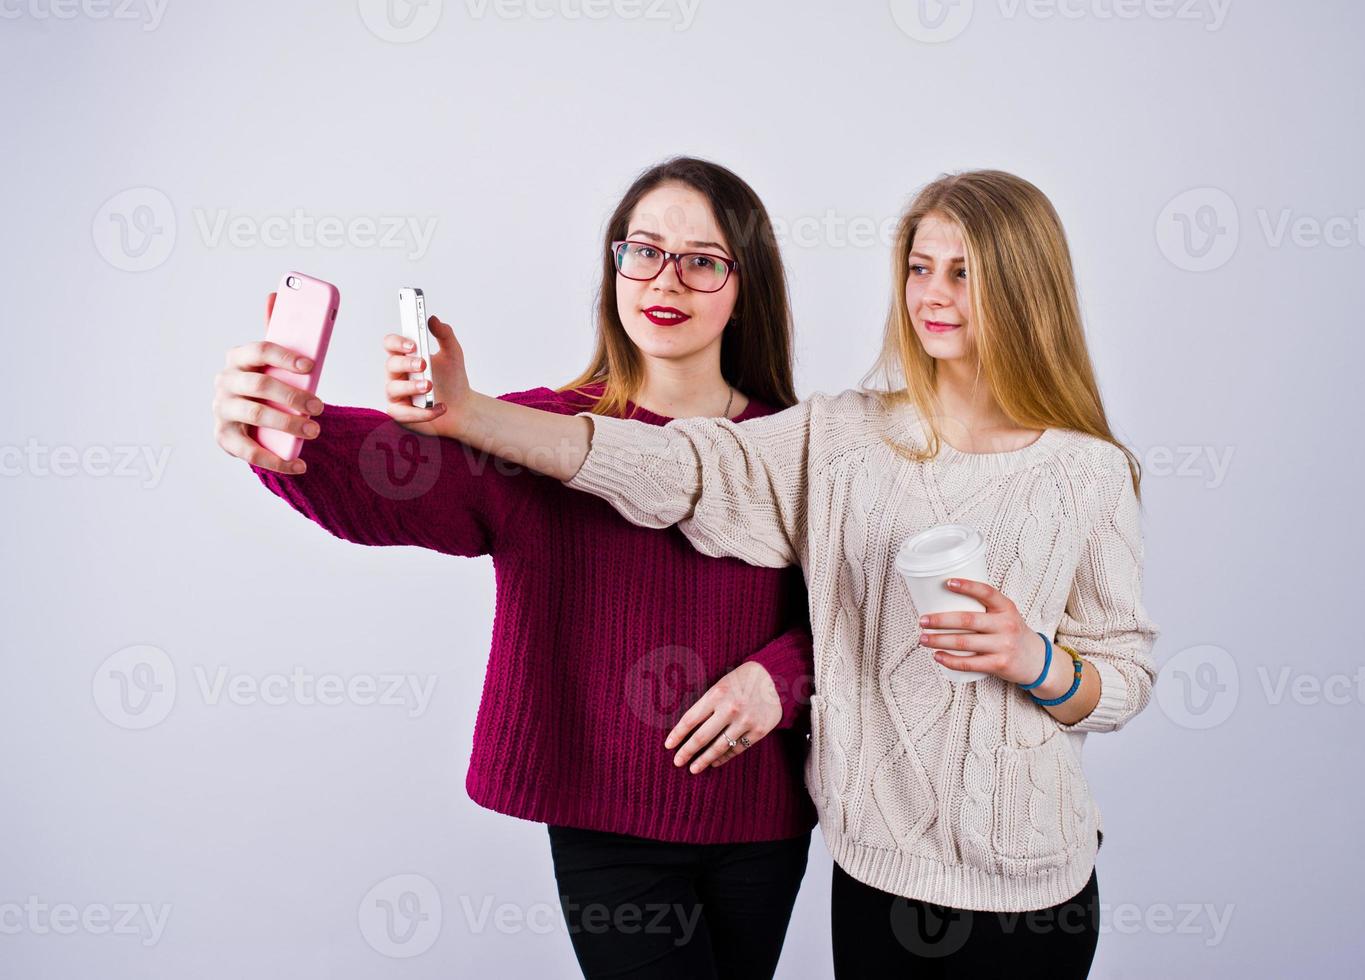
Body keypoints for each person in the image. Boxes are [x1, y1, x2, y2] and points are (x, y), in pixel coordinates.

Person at [398, 169, 1161, 978]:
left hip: (1040, 881)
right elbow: (675, 466)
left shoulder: (1090, 472)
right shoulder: (840, 439)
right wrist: (471, 414)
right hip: (880, 875)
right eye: (918, 266)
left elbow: (1121, 678)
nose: (931, 294)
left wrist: (1033, 660)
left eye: (962, 272)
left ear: (1023, 284)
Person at [211, 157, 816, 980]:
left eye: (702, 260)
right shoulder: (530, 432)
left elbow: (854, 614)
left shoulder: (803, 446)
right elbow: (395, 473)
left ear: (746, 284)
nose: (663, 278)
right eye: (642, 251)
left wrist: (777, 678)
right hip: (607, 822)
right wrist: (286, 430)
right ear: (614, 268)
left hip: (762, 818)